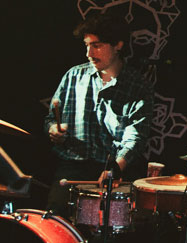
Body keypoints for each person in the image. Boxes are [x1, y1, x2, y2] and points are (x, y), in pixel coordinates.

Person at [45, 11, 153, 213]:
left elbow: (136, 136)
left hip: (113, 167)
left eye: (97, 46)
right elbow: (51, 118)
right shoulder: (73, 76)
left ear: (118, 45)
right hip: (72, 165)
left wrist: (115, 168)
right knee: (56, 221)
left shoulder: (137, 86)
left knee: (108, 225)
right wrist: (53, 129)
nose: (89, 53)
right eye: (87, 45)